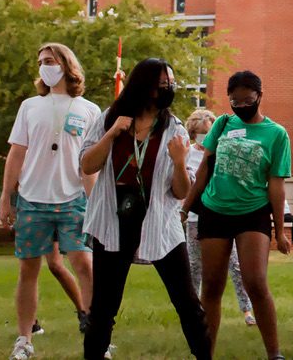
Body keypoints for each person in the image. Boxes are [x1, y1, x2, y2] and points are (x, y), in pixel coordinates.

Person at [80, 58, 210, 360]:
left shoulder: (173, 127)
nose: (169, 90)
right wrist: (111, 134)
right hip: (113, 222)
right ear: (144, 86)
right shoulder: (109, 118)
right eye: (163, 85)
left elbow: (181, 191)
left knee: (188, 303)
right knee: (103, 309)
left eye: (171, 85)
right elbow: (87, 165)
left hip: (159, 223)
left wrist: (179, 160)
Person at [0, 43, 100, 360]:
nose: (45, 66)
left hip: (73, 200)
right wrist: (6, 195)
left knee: (84, 264)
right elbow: (16, 153)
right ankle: (24, 340)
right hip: (32, 200)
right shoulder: (30, 106)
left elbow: (90, 162)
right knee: (28, 270)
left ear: (67, 65)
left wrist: (95, 201)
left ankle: (97, 338)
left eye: (50, 60)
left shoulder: (90, 110)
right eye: (41, 61)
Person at [186, 70, 291, 360]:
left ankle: (274, 353)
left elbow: (276, 185)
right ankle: (205, 353)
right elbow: (203, 169)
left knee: (255, 282)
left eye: (248, 100)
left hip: (253, 213)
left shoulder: (276, 134)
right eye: (235, 101)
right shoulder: (221, 124)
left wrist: (279, 229)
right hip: (214, 210)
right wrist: (186, 207)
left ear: (260, 96)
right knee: (212, 285)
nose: (242, 106)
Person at [183, 109, 256, 328]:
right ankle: (194, 311)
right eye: (200, 133)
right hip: (196, 219)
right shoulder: (188, 154)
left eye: (208, 132)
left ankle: (247, 309)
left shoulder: (221, 151)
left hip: (221, 216)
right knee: (195, 267)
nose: (205, 137)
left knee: (235, 266)